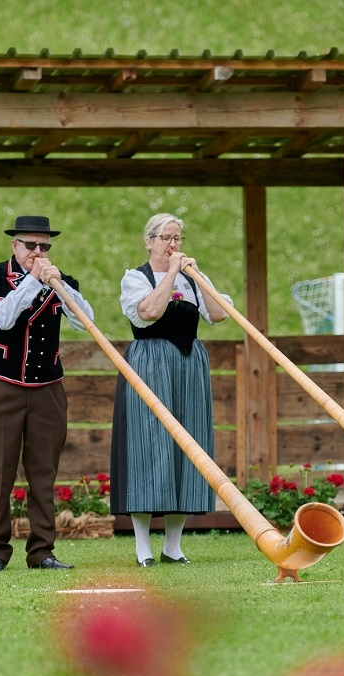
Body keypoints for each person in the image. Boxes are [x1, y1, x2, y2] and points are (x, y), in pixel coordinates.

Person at [110, 213, 233, 566]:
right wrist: (172, 276)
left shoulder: (192, 275)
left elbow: (218, 314)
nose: (172, 245)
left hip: (188, 364)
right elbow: (148, 311)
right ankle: (143, 547)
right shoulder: (136, 278)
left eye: (177, 238)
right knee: (149, 448)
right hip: (150, 364)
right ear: (149, 241)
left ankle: (173, 546)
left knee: (188, 448)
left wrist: (196, 276)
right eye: (165, 238)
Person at [0, 215, 94, 572]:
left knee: (44, 474)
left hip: (48, 389)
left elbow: (85, 320)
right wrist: (31, 281)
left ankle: (42, 552)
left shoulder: (61, 281)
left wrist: (60, 285)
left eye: (45, 246)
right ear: (15, 246)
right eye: (31, 246)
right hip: (2, 385)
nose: (38, 253)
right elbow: (5, 319)